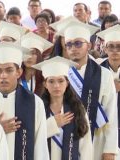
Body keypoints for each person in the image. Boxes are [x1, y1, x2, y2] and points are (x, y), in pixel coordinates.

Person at [57, 20, 118, 160]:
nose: (73, 48)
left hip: (96, 140)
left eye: (78, 43)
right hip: (66, 140)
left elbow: (111, 114)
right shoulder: (61, 73)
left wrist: (109, 150)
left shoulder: (104, 74)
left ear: (89, 45)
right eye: (69, 44)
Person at [0, 42, 49, 160]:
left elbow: (40, 145)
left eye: (9, 70)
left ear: (19, 72)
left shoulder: (35, 103)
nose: (3, 76)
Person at [33, 56, 93, 159]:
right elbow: (30, 138)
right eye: (51, 81)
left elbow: (86, 146)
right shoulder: (38, 108)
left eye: (61, 81)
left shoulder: (77, 109)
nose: (56, 86)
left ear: (67, 83)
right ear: (45, 84)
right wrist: (52, 124)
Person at [97, 24, 120, 153]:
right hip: (104, 128)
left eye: (119, 46)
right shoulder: (97, 69)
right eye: (111, 46)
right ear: (105, 49)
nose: (115, 50)